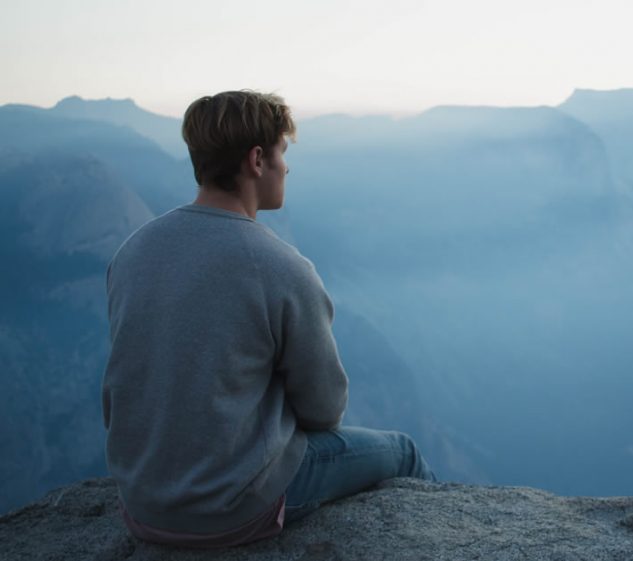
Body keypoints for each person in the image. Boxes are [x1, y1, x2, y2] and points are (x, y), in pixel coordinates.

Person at [101, 90, 436, 548]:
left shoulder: (131, 253)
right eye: (282, 151)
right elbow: (324, 409)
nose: (287, 166)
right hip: (232, 510)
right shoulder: (281, 267)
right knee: (404, 451)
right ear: (257, 160)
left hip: (141, 507)